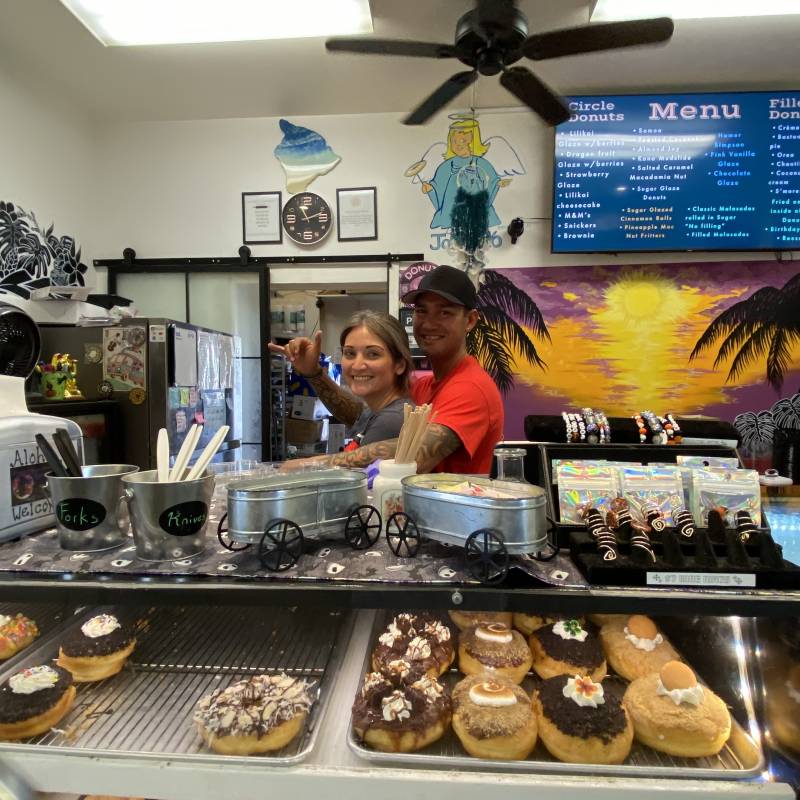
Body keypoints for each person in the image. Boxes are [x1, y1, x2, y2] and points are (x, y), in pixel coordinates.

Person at [276, 265, 503, 475]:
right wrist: (314, 373)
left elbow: (412, 454)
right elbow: (370, 417)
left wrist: (311, 464)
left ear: (470, 320)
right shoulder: (427, 385)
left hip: (454, 517)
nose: (430, 323)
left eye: (445, 313)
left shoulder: (470, 388)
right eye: (422, 311)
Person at [268, 311, 413, 448]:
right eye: (350, 353)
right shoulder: (377, 411)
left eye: (373, 354)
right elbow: (353, 412)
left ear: (399, 365)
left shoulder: (392, 419)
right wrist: (311, 370)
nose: (357, 365)